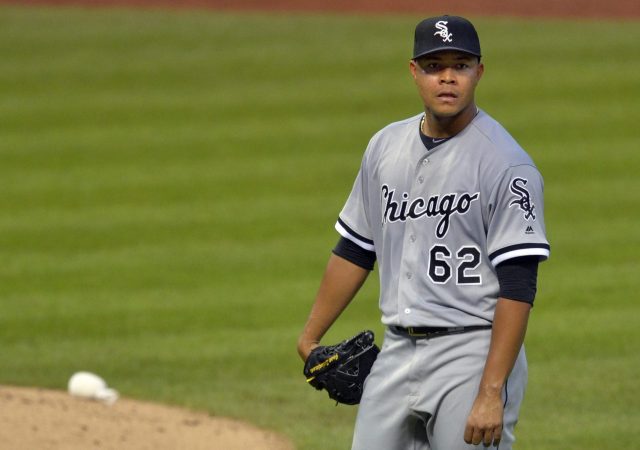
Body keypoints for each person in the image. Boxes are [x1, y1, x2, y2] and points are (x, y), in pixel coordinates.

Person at [297, 15, 550, 450]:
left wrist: (491, 391)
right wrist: (308, 338)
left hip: (471, 354)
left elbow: (519, 284)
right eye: (434, 66)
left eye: (461, 65)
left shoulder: (507, 165)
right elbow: (355, 249)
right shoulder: (384, 146)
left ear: (479, 71)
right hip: (396, 351)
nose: (447, 77)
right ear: (414, 72)